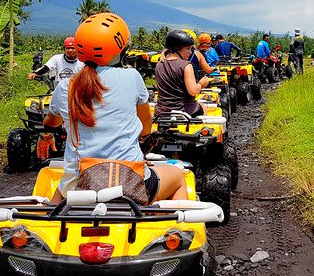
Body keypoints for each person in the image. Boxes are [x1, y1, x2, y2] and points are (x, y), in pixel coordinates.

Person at [42, 13, 187, 204]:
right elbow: (145, 127)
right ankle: (178, 230)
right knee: (177, 177)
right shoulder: (132, 77)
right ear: (120, 49)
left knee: (53, 209)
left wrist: (46, 135)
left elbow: (51, 123)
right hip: (128, 184)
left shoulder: (64, 87)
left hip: (78, 188)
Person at [154, 30, 211, 117]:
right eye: (188, 49)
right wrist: (201, 84)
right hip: (184, 111)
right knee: (203, 107)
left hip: (161, 112)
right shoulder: (186, 66)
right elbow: (193, 91)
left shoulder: (159, 64)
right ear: (177, 48)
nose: (190, 52)